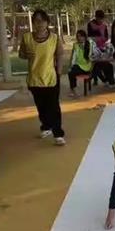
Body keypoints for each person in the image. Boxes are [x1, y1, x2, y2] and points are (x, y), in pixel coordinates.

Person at [19, 10, 65, 145]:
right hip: (34, 78)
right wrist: (27, 55)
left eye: (42, 21)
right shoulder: (27, 38)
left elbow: (60, 55)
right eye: (36, 21)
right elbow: (21, 54)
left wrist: (59, 72)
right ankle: (46, 126)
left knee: (54, 107)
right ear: (33, 23)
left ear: (47, 22)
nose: (39, 24)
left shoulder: (54, 38)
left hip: (51, 78)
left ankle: (58, 134)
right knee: (41, 106)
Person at [87, 10, 114, 85]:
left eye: (102, 19)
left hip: (102, 47)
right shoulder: (91, 24)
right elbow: (90, 36)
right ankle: (96, 79)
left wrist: (105, 41)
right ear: (96, 17)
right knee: (96, 63)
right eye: (99, 19)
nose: (100, 21)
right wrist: (96, 39)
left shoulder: (104, 25)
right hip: (94, 47)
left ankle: (106, 79)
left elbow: (106, 36)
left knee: (103, 64)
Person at [68, 28, 93, 95]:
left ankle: (73, 89)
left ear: (84, 37)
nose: (79, 38)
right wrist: (71, 65)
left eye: (81, 36)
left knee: (72, 72)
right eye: (78, 36)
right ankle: (73, 89)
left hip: (87, 66)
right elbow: (73, 57)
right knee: (70, 72)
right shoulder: (75, 45)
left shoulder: (89, 44)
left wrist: (83, 48)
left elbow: (91, 56)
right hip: (78, 65)